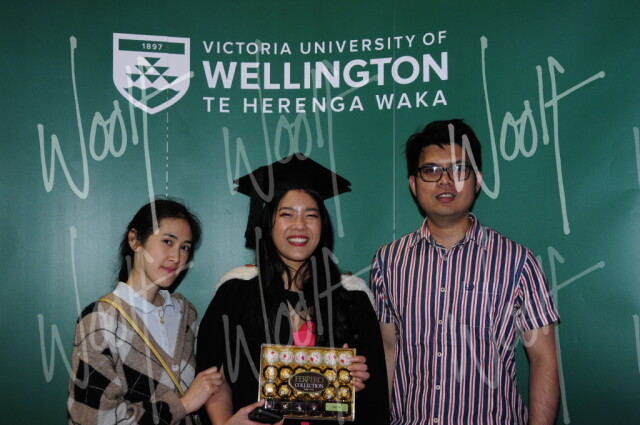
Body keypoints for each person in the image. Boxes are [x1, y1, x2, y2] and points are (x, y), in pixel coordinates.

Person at [370, 120, 560, 425]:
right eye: (431, 170)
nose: (445, 181)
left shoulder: (518, 262)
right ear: (413, 184)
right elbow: (389, 350)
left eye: (458, 170)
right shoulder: (388, 262)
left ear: (478, 180)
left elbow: (543, 360)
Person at [196, 153, 389, 425]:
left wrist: (356, 383)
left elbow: (375, 398)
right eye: (286, 214)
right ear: (268, 223)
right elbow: (212, 377)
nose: (300, 225)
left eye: (311, 215)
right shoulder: (236, 293)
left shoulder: (352, 298)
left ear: (323, 225)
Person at [68, 199, 267, 425]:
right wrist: (183, 405)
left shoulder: (186, 314)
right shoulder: (100, 319)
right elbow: (92, 418)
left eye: (185, 247)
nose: (177, 257)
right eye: (167, 242)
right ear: (135, 240)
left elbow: (212, 386)